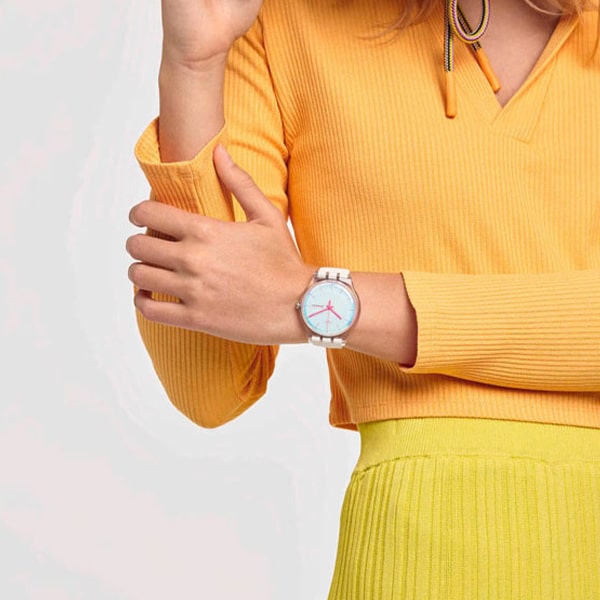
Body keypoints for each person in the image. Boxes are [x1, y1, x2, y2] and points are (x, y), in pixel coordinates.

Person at [126, 0, 600, 597]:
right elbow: (210, 388)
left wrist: (322, 300)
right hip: (412, 560)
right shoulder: (281, 23)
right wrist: (192, 67)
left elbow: (277, 301)